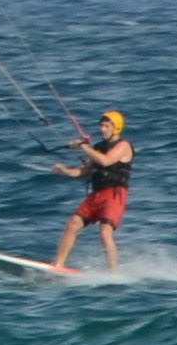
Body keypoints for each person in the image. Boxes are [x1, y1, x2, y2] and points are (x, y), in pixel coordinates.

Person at [49, 109, 135, 271]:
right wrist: (65, 171)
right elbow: (85, 172)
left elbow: (106, 161)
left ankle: (113, 272)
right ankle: (58, 264)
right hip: (97, 194)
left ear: (115, 127)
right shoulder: (98, 147)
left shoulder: (124, 145)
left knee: (104, 231)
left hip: (114, 194)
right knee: (73, 224)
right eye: (101, 126)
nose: (102, 129)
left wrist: (83, 146)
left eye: (106, 126)